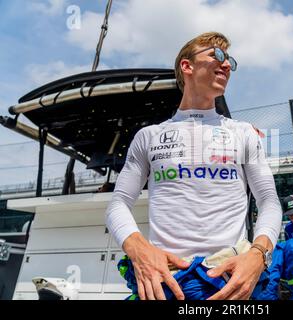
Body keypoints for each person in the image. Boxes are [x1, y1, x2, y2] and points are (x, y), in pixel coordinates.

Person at [105, 32, 282, 300]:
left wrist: (259, 255)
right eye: (216, 55)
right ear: (186, 66)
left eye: (229, 60)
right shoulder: (148, 136)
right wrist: (137, 247)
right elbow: (118, 202)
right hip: (166, 283)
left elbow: (269, 200)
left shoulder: (243, 132)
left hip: (232, 283)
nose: (225, 65)